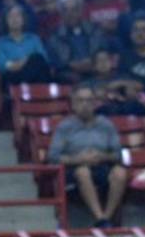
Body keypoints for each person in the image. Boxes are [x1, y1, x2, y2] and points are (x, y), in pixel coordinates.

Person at [47, 88, 127, 228]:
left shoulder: (106, 125)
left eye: (89, 101)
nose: (85, 104)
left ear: (95, 104)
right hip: (73, 169)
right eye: (81, 101)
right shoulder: (65, 127)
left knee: (120, 173)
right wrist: (79, 159)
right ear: (73, 104)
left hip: (102, 166)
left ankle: (106, 218)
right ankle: (99, 217)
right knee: (83, 171)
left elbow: (118, 155)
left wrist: (103, 156)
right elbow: (53, 157)